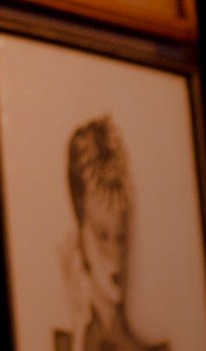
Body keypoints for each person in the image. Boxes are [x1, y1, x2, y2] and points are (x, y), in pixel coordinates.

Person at [54, 117, 169, 351]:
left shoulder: (153, 346)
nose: (115, 254)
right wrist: (78, 328)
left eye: (121, 237)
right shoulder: (64, 343)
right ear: (80, 238)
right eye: (102, 236)